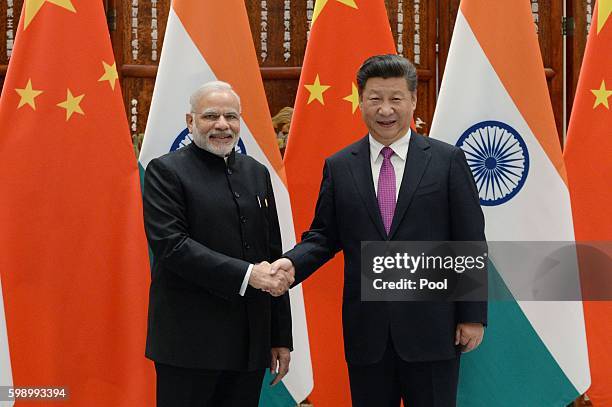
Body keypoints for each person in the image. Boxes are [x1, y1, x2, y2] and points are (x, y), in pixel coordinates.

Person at [272, 54, 486, 407]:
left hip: (433, 328)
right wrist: (290, 265)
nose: (385, 109)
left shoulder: (448, 161)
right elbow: (324, 236)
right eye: (375, 99)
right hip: (367, 331)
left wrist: (472, 315)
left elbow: (469, 240)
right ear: (361, 102)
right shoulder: (340, 166)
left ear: (413, 101)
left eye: (395, 99)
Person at [143, 81, 294, 407]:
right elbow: (173, 246)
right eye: (211, 116)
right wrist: (248, 275)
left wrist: (281, 337)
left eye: (231, 116)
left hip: (249, 345)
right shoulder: (165, 172)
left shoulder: (256, 173)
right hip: (188, 345)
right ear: (190, 121)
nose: (222, 125)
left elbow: (272, 255)